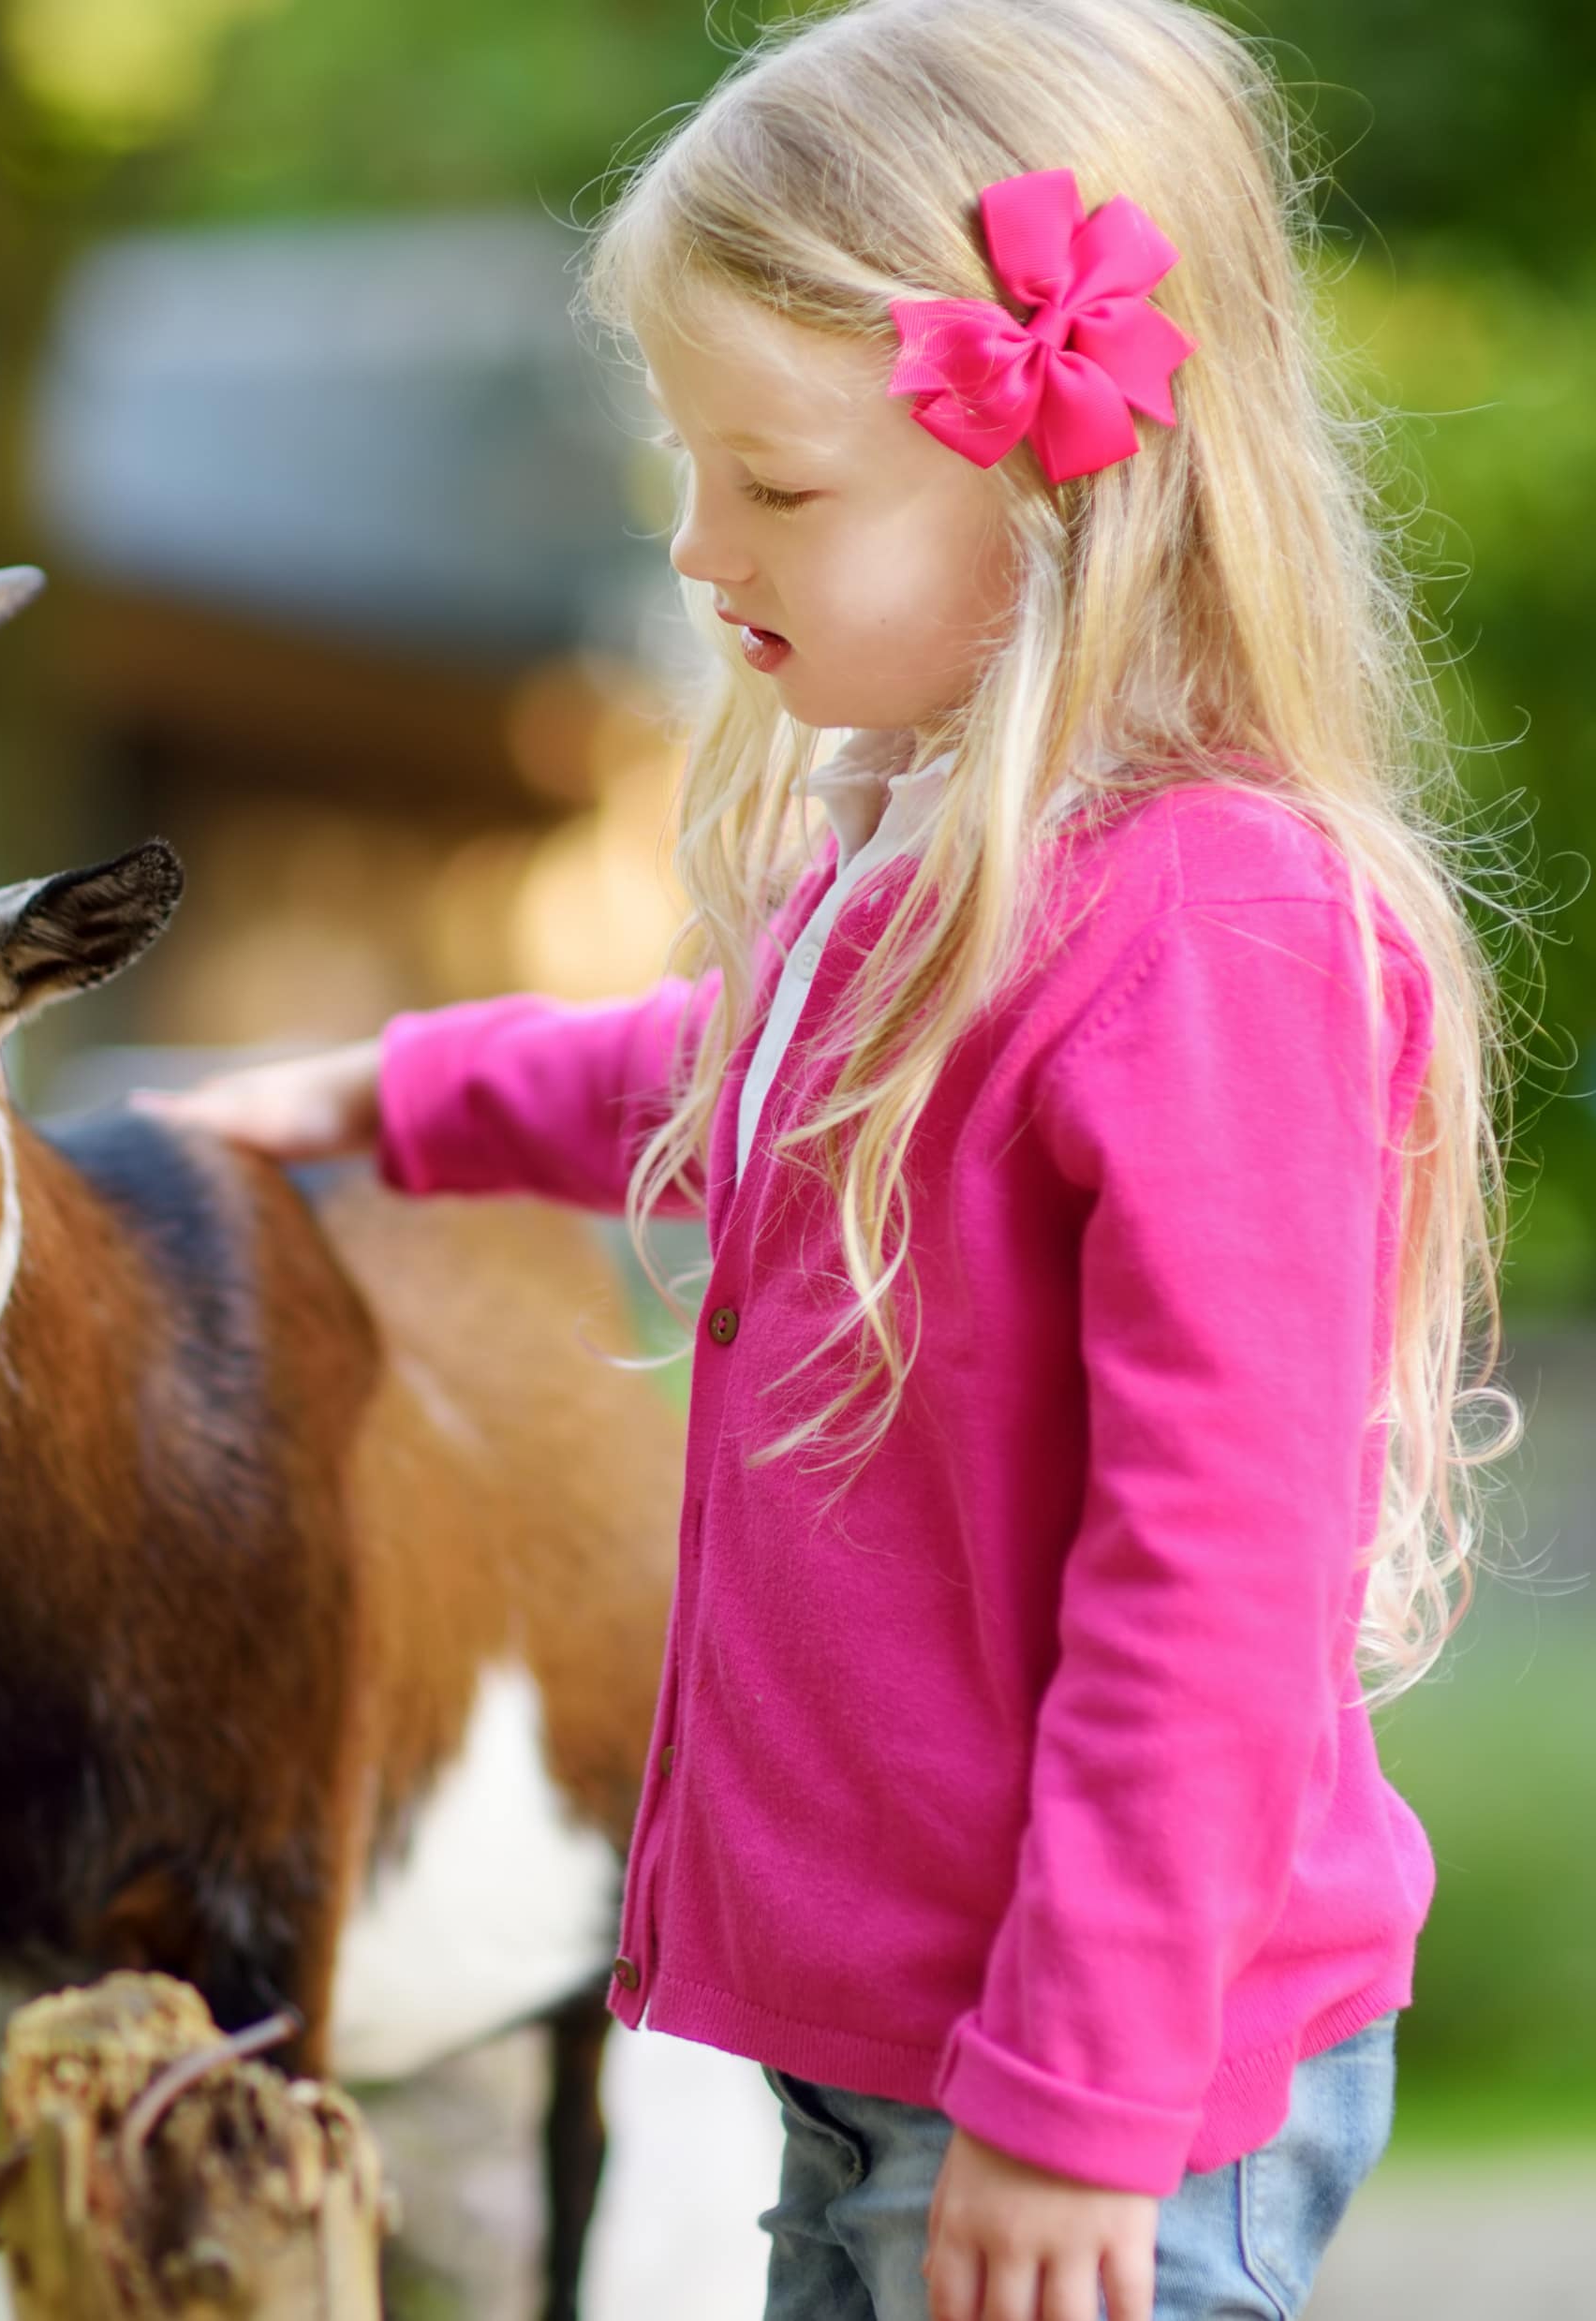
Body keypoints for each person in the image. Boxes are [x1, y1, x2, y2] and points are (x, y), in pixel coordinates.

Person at [130, 0, 1519, 2312]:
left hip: (1091, 2095)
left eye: (776, 486)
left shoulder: (1212, 934)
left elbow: (1217, 1584)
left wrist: (1079, 2104)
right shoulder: (935, 899)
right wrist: (399, 1097)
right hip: (894, 2058)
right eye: (687, 469)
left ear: (1067, 473)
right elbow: (728, 1081)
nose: (696, 546)